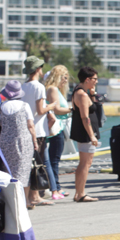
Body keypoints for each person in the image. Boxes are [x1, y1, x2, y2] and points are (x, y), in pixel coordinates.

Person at [21, 56, 58, 207]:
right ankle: (34, 197)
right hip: (38, 130)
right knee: (38, 163)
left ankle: (32, 196)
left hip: (26, 129)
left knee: (31, 163)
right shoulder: (39, 87)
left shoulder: (24, 86)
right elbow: (40, 109)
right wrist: (52, 105)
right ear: (37, 69)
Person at [0, 80, 37, 204]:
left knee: (8, 171)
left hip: (6, 142)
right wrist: (35, 141)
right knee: (24, 170)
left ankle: (11, 202)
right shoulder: (25, 106)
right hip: (23, 141)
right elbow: (30, 125)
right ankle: (25, 201)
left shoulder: (1, 106)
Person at [68, 67, 101, 203]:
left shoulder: (83, 92)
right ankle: (80, 193)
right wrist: (92, 135)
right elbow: (84, 117)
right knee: (85, 163)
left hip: (86, 132)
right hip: (85, 133)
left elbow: (92, 108)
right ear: (87, 79)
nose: (96, 81)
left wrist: (92, 95)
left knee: (86, 162)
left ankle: (79, 192)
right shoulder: (81, 94)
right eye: (94, 79)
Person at [43, 65, 73, 201]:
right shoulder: (53, 89)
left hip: (55, 127)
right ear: (59, 77)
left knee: (51, 159)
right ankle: (56, 187)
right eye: (64, 77)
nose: (66, 81)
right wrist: (72, 110)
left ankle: (53, 186)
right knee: (54, 159)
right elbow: (57, 109)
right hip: (57, 128)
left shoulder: (51, 89)